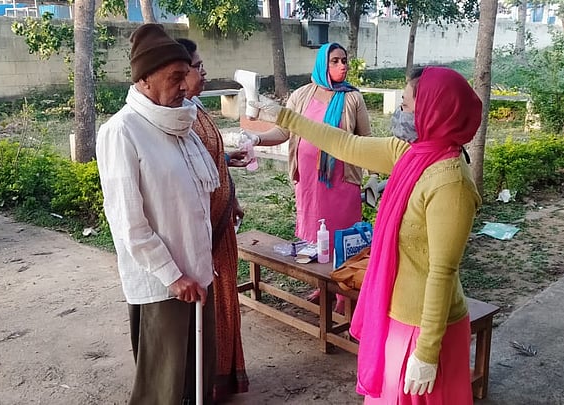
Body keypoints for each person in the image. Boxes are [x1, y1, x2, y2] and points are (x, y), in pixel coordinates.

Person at [251, 66, 483, 403]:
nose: (399, 112)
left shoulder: (450, 183)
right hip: (395, 312)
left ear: (432, 110)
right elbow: (345, 143)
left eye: (405, 105)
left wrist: (428, 352)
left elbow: (442, 271)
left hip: (426, 327)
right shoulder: (411, 154)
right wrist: (285, 116)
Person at [96, 24, 217, 404]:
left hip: (197, 274)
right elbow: (127, 221)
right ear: (145, 80)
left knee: (196, 379)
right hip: (164, 283)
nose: (186, 86)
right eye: (176, 77)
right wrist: (173, 275)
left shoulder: (181, 125)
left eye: (187, 75)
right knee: (161, 389)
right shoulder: (122, 131)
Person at [243, 42, 372, 312]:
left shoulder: (352, 98)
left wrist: (372, 176)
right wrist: (256, 138)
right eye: (335, 61)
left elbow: (365, 141)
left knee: (341, 238)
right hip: (309, 184)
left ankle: (343, 295)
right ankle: (321, 284)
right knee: (314, 236)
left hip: (341, 183)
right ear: (322, 64)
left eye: (344, 61)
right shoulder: (301, 96)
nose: (342, 66)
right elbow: (283, 132)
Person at [176, 37, 250, 402]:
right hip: (204, 236)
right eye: (197, 66)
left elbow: (211, 163)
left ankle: (226, 376)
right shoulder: (176, 121)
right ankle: (211, 382)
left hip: (222, 230)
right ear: (178, 73)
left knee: (226, 304)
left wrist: (229, 180)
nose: (204, 71)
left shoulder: (196, 110)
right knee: (212, 308)